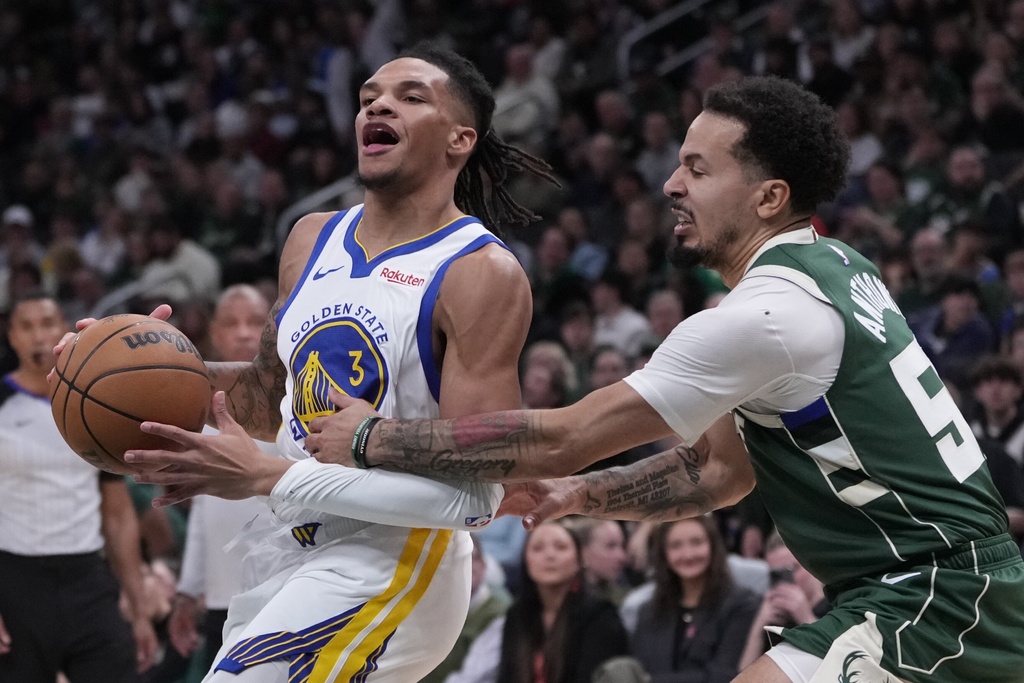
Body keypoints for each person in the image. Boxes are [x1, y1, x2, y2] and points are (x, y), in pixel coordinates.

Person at [127, 77, 1024, 682]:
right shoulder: (830, 269)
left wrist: (371, 437)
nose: (670, 184)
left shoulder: (762, 316)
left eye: (698, 168)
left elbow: (562, 432)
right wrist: (577, 497)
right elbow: (720, 471)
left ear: (769, 197)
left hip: (941, 590)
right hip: (921, 584)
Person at [102, 43, 556, 683]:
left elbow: (478, 492)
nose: (378, 106)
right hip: (290, 545)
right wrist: (138, 367)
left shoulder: (479, 271)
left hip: (398, 558)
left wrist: (269, 475)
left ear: (460, 139)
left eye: (410, 97)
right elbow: (267, 400)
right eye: (370, 97)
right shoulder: (311, 238)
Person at [0, 291, 157, 682]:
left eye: (46, 324)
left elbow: (118, 515)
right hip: (15, 580)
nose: (38, 336)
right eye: (26, 326)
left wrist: (139, 610)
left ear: (63, 329)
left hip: (88, 576)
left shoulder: (97, 406)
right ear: (12, 336)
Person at [168, 285, 275, 674]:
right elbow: (203, 509)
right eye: (232, 323)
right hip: (222, 599)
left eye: (256, 322)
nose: (244, 333)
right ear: (214, 333)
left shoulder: (299, 399)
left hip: (287, 590)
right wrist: (187, 590)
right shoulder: (196, 406)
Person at [631, 517, 759, 683]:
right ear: (663, 553)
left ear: (713, 546)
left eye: (697, 542)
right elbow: (638, 671)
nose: (688, 554)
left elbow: (724, 676)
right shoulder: (648, 612)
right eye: (676, 545)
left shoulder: (741, 605)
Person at [737, 531, 828, 671]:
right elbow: (745, 674)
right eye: (778, 575)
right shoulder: (775, 616)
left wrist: (806, 619)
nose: (787, 580)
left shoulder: (836, 604)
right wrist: (759, 627)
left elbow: (843, 662)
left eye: (793, 569)